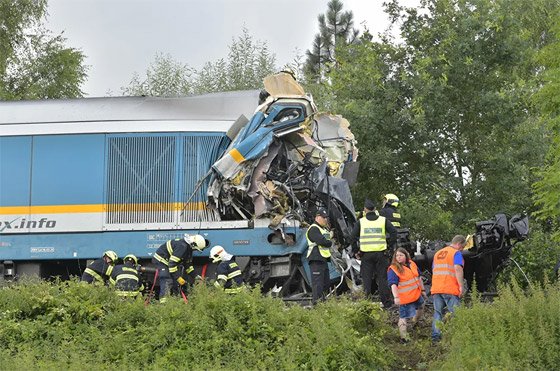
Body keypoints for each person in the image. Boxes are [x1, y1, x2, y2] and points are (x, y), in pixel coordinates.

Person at [350, 199, 397, 308]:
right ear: (375, 209)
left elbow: (352, 237)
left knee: (366, 279)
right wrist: (389, 245)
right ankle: (387, 303)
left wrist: (356, 250)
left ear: (365, 210)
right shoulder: (383, 220)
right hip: (381, 254)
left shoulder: (361, 222)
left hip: (366, 255)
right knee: (383, 278)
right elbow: (394, 232)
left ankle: (366, 304)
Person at [431, 235, 467, 342]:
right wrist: (461, 286)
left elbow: (434, 270)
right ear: (459, 244)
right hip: (450, 288)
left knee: (438, 313)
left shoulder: (438, 254)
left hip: (437, 288)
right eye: (462, 247)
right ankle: (459, 337)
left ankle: (436, 338)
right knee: (457, 314)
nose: (462, 250)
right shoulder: (456, 253)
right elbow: (458, 269)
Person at [387, 248, 427, 343]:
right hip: (405, 298)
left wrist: (423, 290)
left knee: (421, 306)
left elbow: (418, 278)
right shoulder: (394, 269)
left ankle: (414, 323)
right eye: (397, 256)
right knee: (403, 317)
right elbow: (393, 285)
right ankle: (404, 338)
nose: (399, 257)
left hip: (416, 294)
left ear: (406, 256)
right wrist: (396, 298)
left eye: (401, 255)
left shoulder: (412, 264)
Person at [152, 234, 208, 302]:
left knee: (175, 283)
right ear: (193, 245)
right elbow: (172, 264)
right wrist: (178, 278)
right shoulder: (182, 247)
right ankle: (164, 303)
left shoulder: (188, 250)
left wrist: (196, 276)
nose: (195, 251)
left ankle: (175, 301)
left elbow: (188, 266)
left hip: (169, 262)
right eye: (195, 249)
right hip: (162, 261)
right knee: (167, 280)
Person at [306, 207, 334, 305]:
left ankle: (321, 303)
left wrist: (328, 239)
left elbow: (325, 240)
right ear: (317, 217)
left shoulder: (322, 229)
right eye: (323, 217)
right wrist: (329, 238)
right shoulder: (313, 229)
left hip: (323, 259)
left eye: (326, 218)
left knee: (325, 284)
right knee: (317, 285)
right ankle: (317, 306)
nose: (325, 219)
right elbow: (323, 241)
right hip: (316, 259)